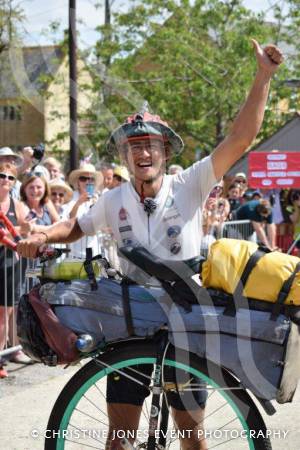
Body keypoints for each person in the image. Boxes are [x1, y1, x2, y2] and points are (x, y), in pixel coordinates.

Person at [17, 40, 284, 449]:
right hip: (130, 323)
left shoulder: (189, 184)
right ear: (124, 155)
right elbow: (73, 226)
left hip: (188, 319)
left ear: (164, 151)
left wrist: (263, 76)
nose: (143, 151)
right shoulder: (113, 200)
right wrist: (41, 235)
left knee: (192, 439)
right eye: (133, 145)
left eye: (150, 144)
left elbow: (240, 138)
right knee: (119, 440)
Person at [0, 163, 32, 378]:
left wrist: (14, 232)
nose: (6, 180)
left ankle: (3, 355)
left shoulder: (17, 205)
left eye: (11, 177)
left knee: (5, 312)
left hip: (10, 262)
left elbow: (29, 227)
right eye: (2, 175)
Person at [68, 163, 103, 258]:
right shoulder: (71, 197)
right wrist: (79, 202)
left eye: (91, 179)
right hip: (75, 253)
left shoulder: (98, 198)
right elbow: (70, 219)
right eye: (83, 178)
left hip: (95, 251)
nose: (87, 182)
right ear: (78, 182)